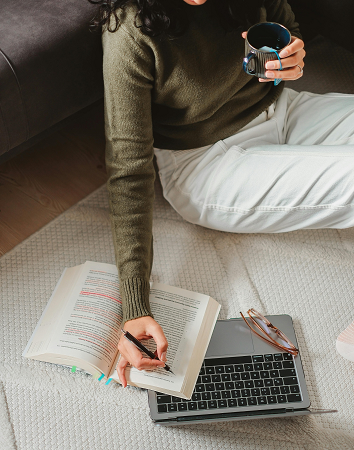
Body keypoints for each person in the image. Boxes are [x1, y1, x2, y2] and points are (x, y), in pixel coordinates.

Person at [89, 0, 354, 387]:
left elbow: (287, 25)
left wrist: (294, 53)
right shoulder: (130, 31)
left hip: (279, 109)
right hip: (206, 162)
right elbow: (129, 169)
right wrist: (135, 307)